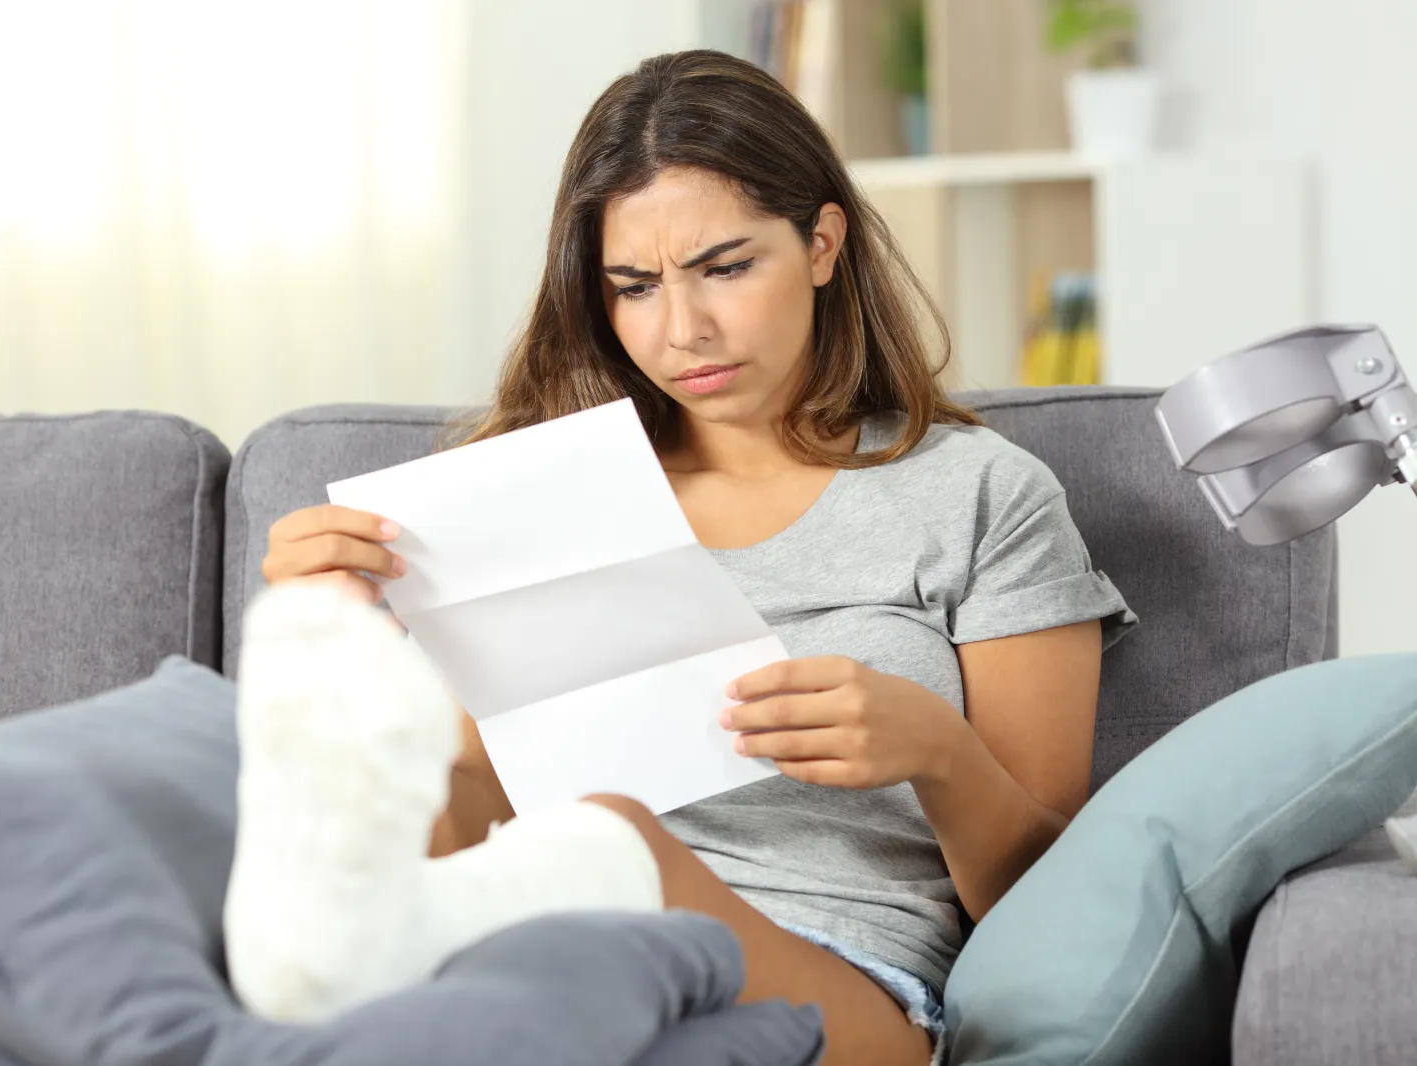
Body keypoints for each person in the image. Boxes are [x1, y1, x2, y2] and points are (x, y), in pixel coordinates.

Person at [226, 49, 1135, 1066]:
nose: (682, 330)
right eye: (632, 286)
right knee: (361, 784)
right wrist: (335, 640)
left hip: (844, 976)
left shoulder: (982, 494)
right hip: (538, 946)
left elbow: (1057, 911)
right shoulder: (522, 495)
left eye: (725, 268)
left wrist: (936, 750)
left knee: (609, 847)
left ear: (822, 242)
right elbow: (468, 804)